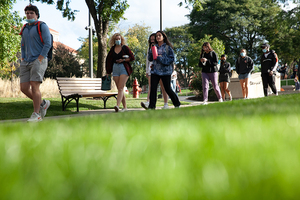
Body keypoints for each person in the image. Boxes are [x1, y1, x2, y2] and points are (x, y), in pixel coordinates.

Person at [19, 4, 51, 122]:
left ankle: (36, 114)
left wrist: (40, 58)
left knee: (34, 86)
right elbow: (23, 44)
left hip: (38, 60)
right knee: (24, 88)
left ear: (37, 15)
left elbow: (48, 43)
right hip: (25, 61)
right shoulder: (25, 28)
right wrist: (22, 57)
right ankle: (43, 103)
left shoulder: (42, 26)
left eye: (31, 13)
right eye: (27, 13)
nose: (29, 15)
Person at [144, 30, 181, 109]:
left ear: (163, 37)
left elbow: (171, 59)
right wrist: (151, 51)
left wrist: (159, 58)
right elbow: (150, 59)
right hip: (155, 71)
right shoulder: (154, 47)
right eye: (156, 36)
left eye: (159, 35)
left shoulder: (168, 48)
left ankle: (177, 104)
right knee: (153, 89)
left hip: (165, 72)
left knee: (167, 88)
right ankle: (151, 107)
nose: (157, 37)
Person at [105, 33, 135, 112]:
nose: (118, 40)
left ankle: (117, 106)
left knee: (121, 88)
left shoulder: (125, 48)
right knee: (119, 89)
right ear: (114, 40)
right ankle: (125, 108)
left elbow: (132, 57)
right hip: (115, 68)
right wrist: (108, 71)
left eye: (119, 39)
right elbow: (108, 60)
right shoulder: (112, 49)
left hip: (123, 68)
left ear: (121, 39)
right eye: (116, 39)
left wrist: (123, 60)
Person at [141, 33, 169, 109]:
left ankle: (166, 104)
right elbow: (147, 60)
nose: (152, 40)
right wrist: (147, 71)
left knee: (163, 87)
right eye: (151, 39)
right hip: (152, 69)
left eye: (154, 39)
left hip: (161, 69)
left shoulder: (160, 47)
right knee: (151, 87)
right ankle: (148, 102)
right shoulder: (149, 48)